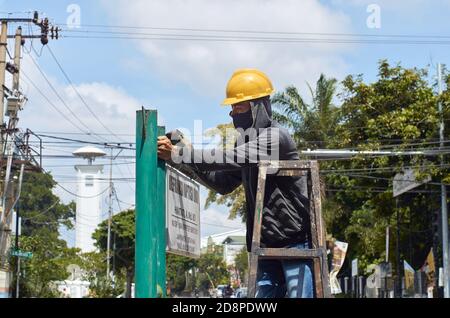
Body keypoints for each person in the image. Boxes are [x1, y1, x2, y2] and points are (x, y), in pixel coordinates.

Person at [157, 68, 314, 298]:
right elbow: (222, 183)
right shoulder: (247, 144)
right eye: (231, 108)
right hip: (265, 243)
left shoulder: (275, 138)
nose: (233, 114)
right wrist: (181, 160)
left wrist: (181, 154)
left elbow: (230, 158)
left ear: (258, 106)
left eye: (238, 107)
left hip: (294, 242)